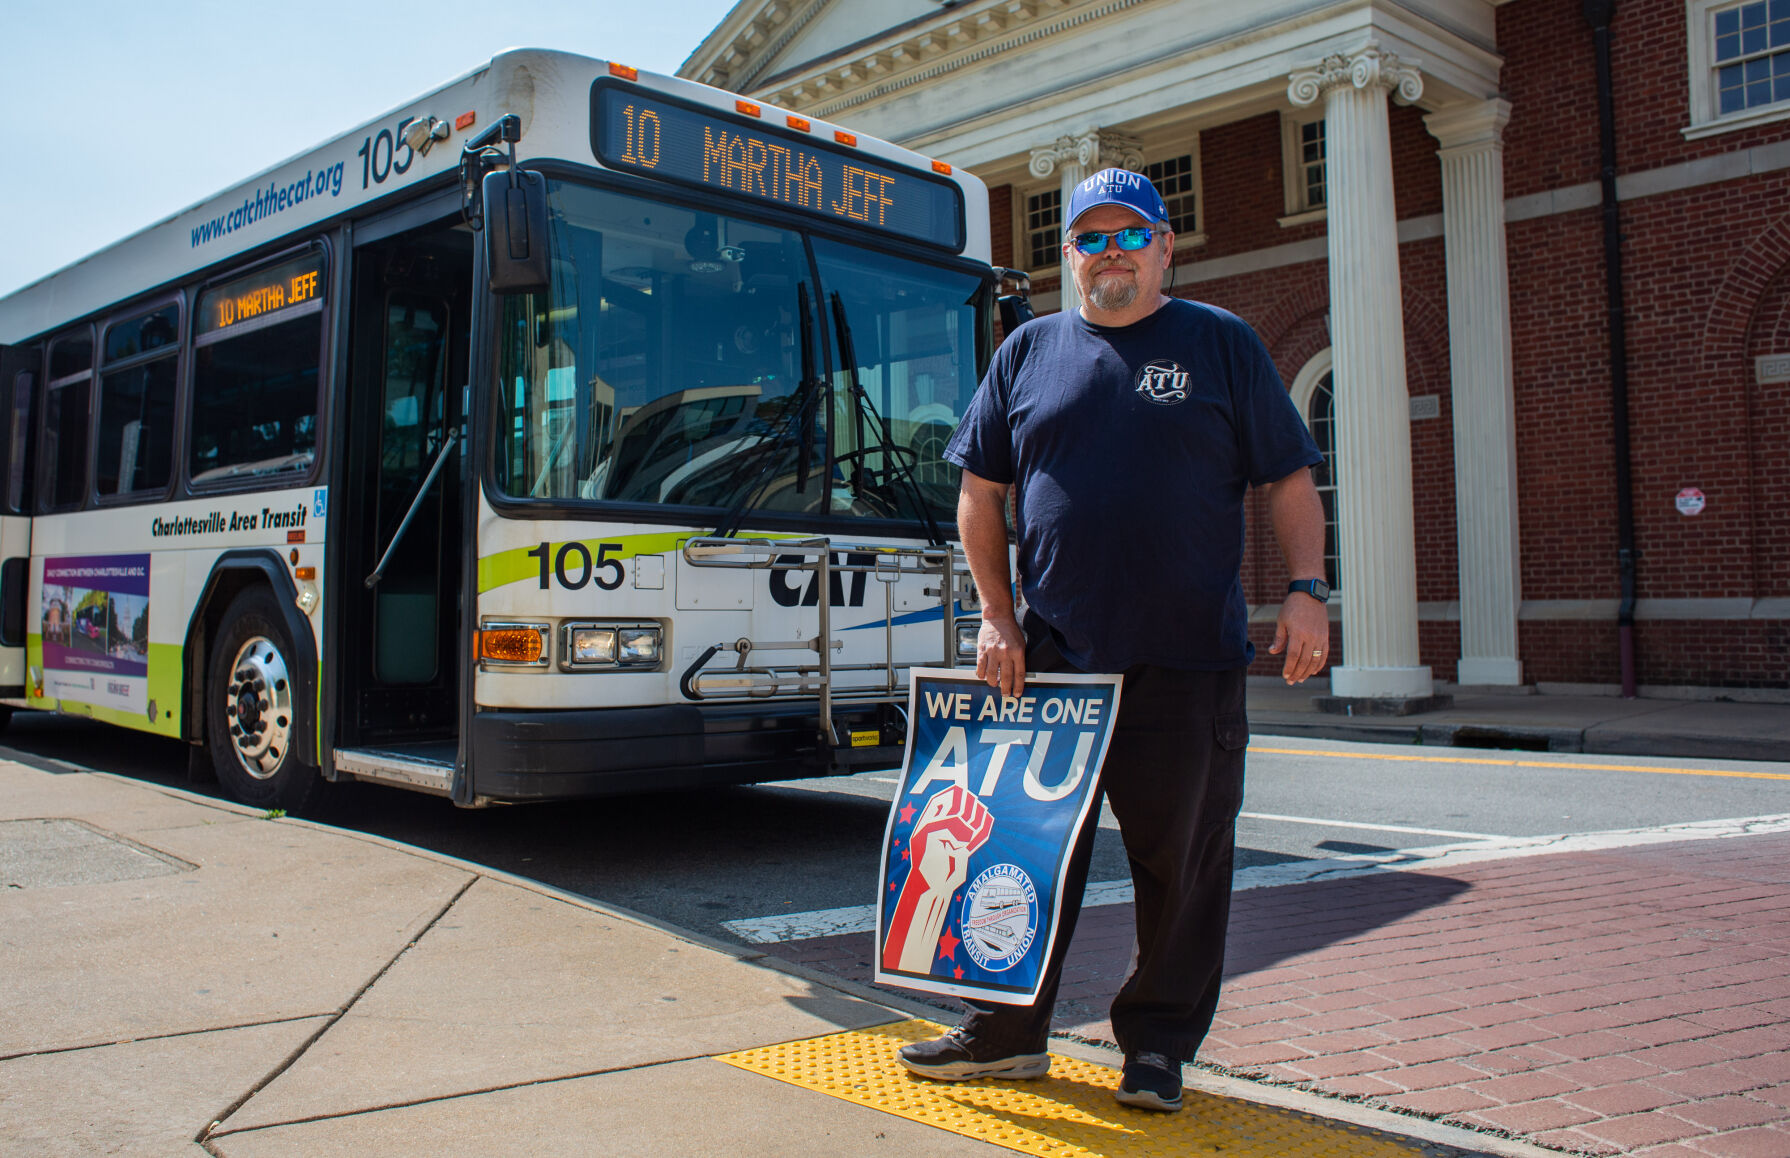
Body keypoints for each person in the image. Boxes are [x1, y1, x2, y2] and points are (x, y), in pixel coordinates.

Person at [896, 168, 1332, 1112]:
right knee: (1020, 849)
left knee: (1182, 861)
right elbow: (981, 492)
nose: (1110, 254)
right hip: (1053, 657)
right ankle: (1005, 1032)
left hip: (1187, 662)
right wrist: (996, 615)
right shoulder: (1027, 352)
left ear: (1166, 246)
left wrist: (1305, 590)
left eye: (1129, 235)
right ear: (1068, 257)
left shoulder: (1222, 344)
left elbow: (1290, 477)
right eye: (1089, 239)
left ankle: (1157, 1048)